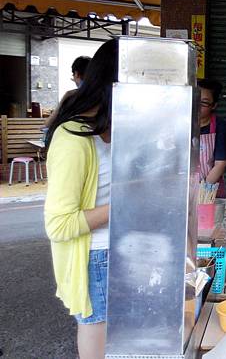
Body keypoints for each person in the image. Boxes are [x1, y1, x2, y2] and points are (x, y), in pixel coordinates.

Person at [44, 40, 117, 359]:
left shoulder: (108, 128)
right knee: (97, 336)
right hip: (96, 257)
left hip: (117, 250)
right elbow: (59, 225)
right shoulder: (72, 138)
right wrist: (128, 205)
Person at [198, 79, 226, 197]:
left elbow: (221, 164)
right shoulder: (180, 124)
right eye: (195, 100)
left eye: (204, 103)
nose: (197, 105)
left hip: (210, 188)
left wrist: (203, 191)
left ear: (214, 105)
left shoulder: (220, 126)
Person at [45, 56, 91, 128]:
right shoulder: (103, 94)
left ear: (76, 74)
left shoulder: (71, 97)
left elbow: (48, 124)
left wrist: (64, 97)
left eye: (73, 74)